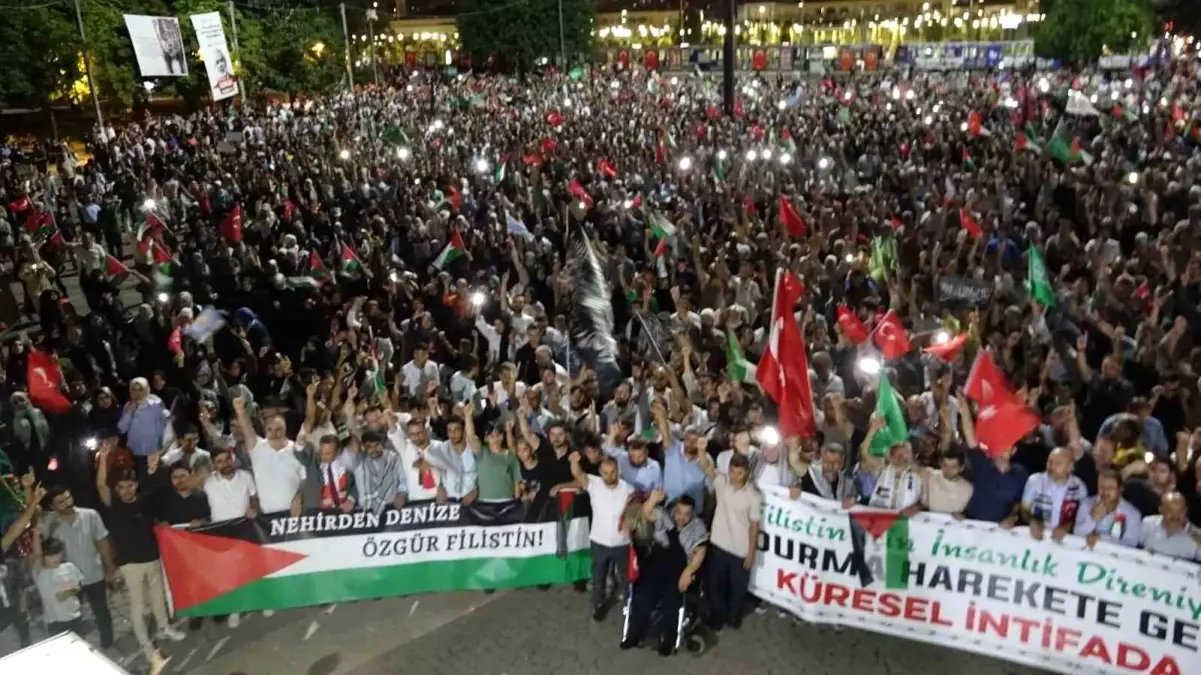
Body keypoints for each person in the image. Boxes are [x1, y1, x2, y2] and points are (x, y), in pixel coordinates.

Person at [94, 446, 185, 660]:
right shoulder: (112, 505)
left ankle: (164, 627)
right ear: (116, 488)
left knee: (157, 597)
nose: (126, 490)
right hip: (129, 563)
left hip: (152, 556)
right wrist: (104, 457)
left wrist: (154, 467)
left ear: (135, 485)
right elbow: (100, 485)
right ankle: (145, 645)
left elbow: (159, 511)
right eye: (122, 487)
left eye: (130, 485)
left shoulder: (145, 501)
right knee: (137, 604)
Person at [621, 489, 707, 655]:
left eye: (687, 514)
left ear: (692, 514)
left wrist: (688, 572)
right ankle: (634, 635)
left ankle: (668, 641)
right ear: (674, 509)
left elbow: (700, 552)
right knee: (642, 597)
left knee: (672, 603)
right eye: (679, 512)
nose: (681, 517)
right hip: (657, 563)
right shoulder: (664, 515)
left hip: (678, 569)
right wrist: (652, 500)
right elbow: (644, 515)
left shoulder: (698, 527)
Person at [39, 485, 117, 648]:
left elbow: (102, 542)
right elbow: (46, 550)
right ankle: (76, 646)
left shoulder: (90, 515)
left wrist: (110, 568)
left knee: (101, 611)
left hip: (93, 573)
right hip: (67, 580)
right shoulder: (49, 523)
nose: (67, 503)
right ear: (52, 506)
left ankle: (107, 645)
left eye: (68, 498)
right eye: (60, 502)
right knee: (71, 615)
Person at [568, 451, 634, 621]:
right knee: (598, 577)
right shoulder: (594, 484)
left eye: (612, 472)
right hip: (599, 542)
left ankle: (629, 604)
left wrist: (630, 522)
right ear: (600, 472)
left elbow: (634, 512)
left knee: (626, 578)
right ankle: (598, 604)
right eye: (605, 472)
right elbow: (578, 474)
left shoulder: (628, 489)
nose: (608, 476)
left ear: (618, 471)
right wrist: (574, 461)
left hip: (622, 543)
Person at [699, 451, 761, 631]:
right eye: (732, 472)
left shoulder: (753, 496)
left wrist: (750, 553)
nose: (735, 476)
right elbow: (706, 468)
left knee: (738, 589)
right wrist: (702, 451)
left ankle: (734, 616)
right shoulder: (722, 484)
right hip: (719, 544)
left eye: (739, 473)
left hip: (740, 550)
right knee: (716, 585)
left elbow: (754, 527)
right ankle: (717, 617)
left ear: (747, 473)